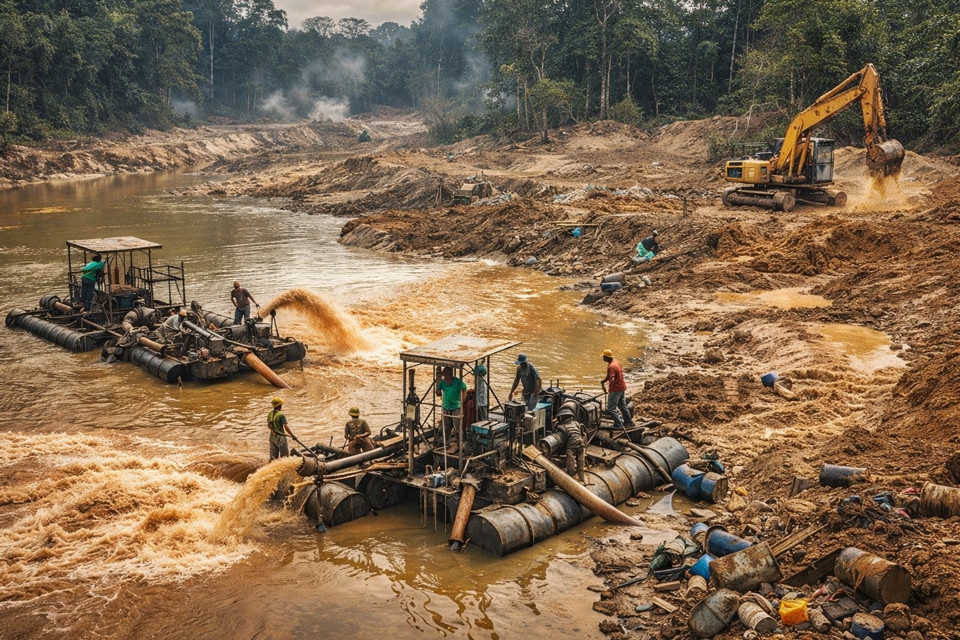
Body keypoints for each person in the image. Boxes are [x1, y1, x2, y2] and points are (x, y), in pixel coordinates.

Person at [601, 348, 633, 430]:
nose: (602, 358)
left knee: (610, 408)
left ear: (606, 357)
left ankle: (618, 424)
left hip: (616, 389)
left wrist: (611, 389)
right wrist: (604, 381)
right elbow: (611, 376)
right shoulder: (616, 362)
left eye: (603, 356)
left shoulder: (611, 366)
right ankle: (628, 422)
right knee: (622, 405)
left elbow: (612, 378)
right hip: (622, 387)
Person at [436, 366, 467, 444]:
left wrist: (463, 399)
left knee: (457, 428)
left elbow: (464, 388)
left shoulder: (457, 382)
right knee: (446, 427)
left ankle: (460, 443)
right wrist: (438, 389)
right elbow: (438, 392)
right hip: (446, 407)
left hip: (456, 408)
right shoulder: (442, 382)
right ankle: (446, 442)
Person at [555, 407, 586, 483]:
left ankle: (571, 478)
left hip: (571, 447)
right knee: (581, 462)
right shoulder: (576, 423)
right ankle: (582, 479)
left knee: (570, 462)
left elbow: (560, 440)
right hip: (581, 444)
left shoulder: (561, 427)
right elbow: (582, 433)